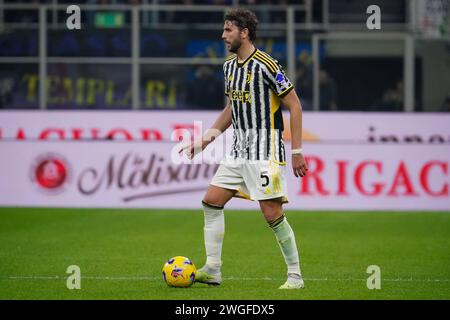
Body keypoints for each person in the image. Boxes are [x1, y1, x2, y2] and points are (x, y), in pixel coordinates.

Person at [179, 8, 308, 289]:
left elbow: (295, 105)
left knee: (271, 213)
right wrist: (205, 140)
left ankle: (295, 276)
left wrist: (297, 151)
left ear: (244, 32)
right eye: (224, 30)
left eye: (228, 30)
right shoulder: (228, 67)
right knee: (211, 201)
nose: (223, 35)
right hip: (239, 150)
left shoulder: (267, 65)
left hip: (266, 150)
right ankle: (213, 269)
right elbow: (231, 109)